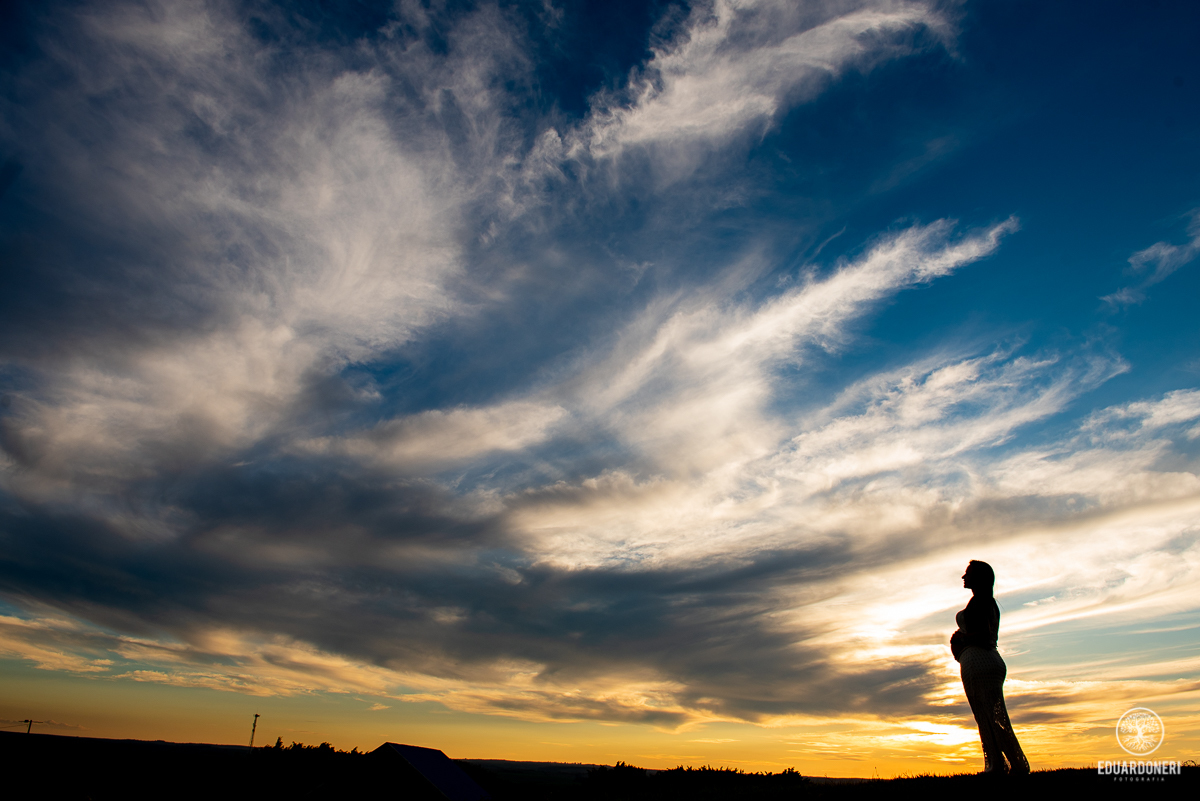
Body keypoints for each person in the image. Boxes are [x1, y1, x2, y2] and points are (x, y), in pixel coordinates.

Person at [950, 560, 1029, 775]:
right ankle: (1004, 762)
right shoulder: (988, 603)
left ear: (979, 578)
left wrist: (962, 639)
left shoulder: (979, 602)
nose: (963, 577)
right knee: (993, 716)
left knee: (987, 717)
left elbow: (983, 636)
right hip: (989, 661)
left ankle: (1004, 764)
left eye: (967, 573)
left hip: (979, 664)